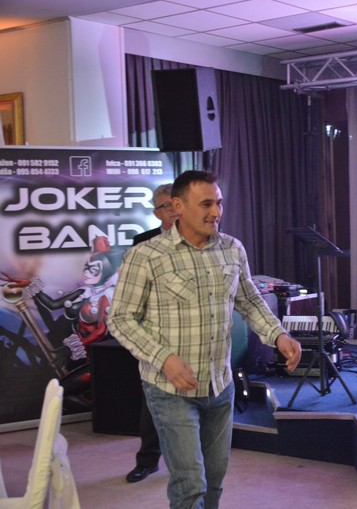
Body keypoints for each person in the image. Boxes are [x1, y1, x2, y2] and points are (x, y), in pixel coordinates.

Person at [109, 170, 302, 509]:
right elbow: (120, 319)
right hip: (170, 390)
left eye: (219, 203)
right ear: (178, 206)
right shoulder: (147, 255)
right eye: (206, 204)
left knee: (214, 481)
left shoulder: (232, 249)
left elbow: (250, 301)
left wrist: (278, 335)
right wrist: (164, 359)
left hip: (219, 385)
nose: (216, 212)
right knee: (190, 485)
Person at [125, 183, 178, 483]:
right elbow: (132, 292)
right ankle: (147, 460)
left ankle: (193, 460)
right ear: (157, 213)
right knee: (152, 400)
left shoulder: (204, 239)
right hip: (155, 335)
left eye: (176, 204)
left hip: (195, 331)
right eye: (166, 206)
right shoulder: (142, 243)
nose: (173, 211)